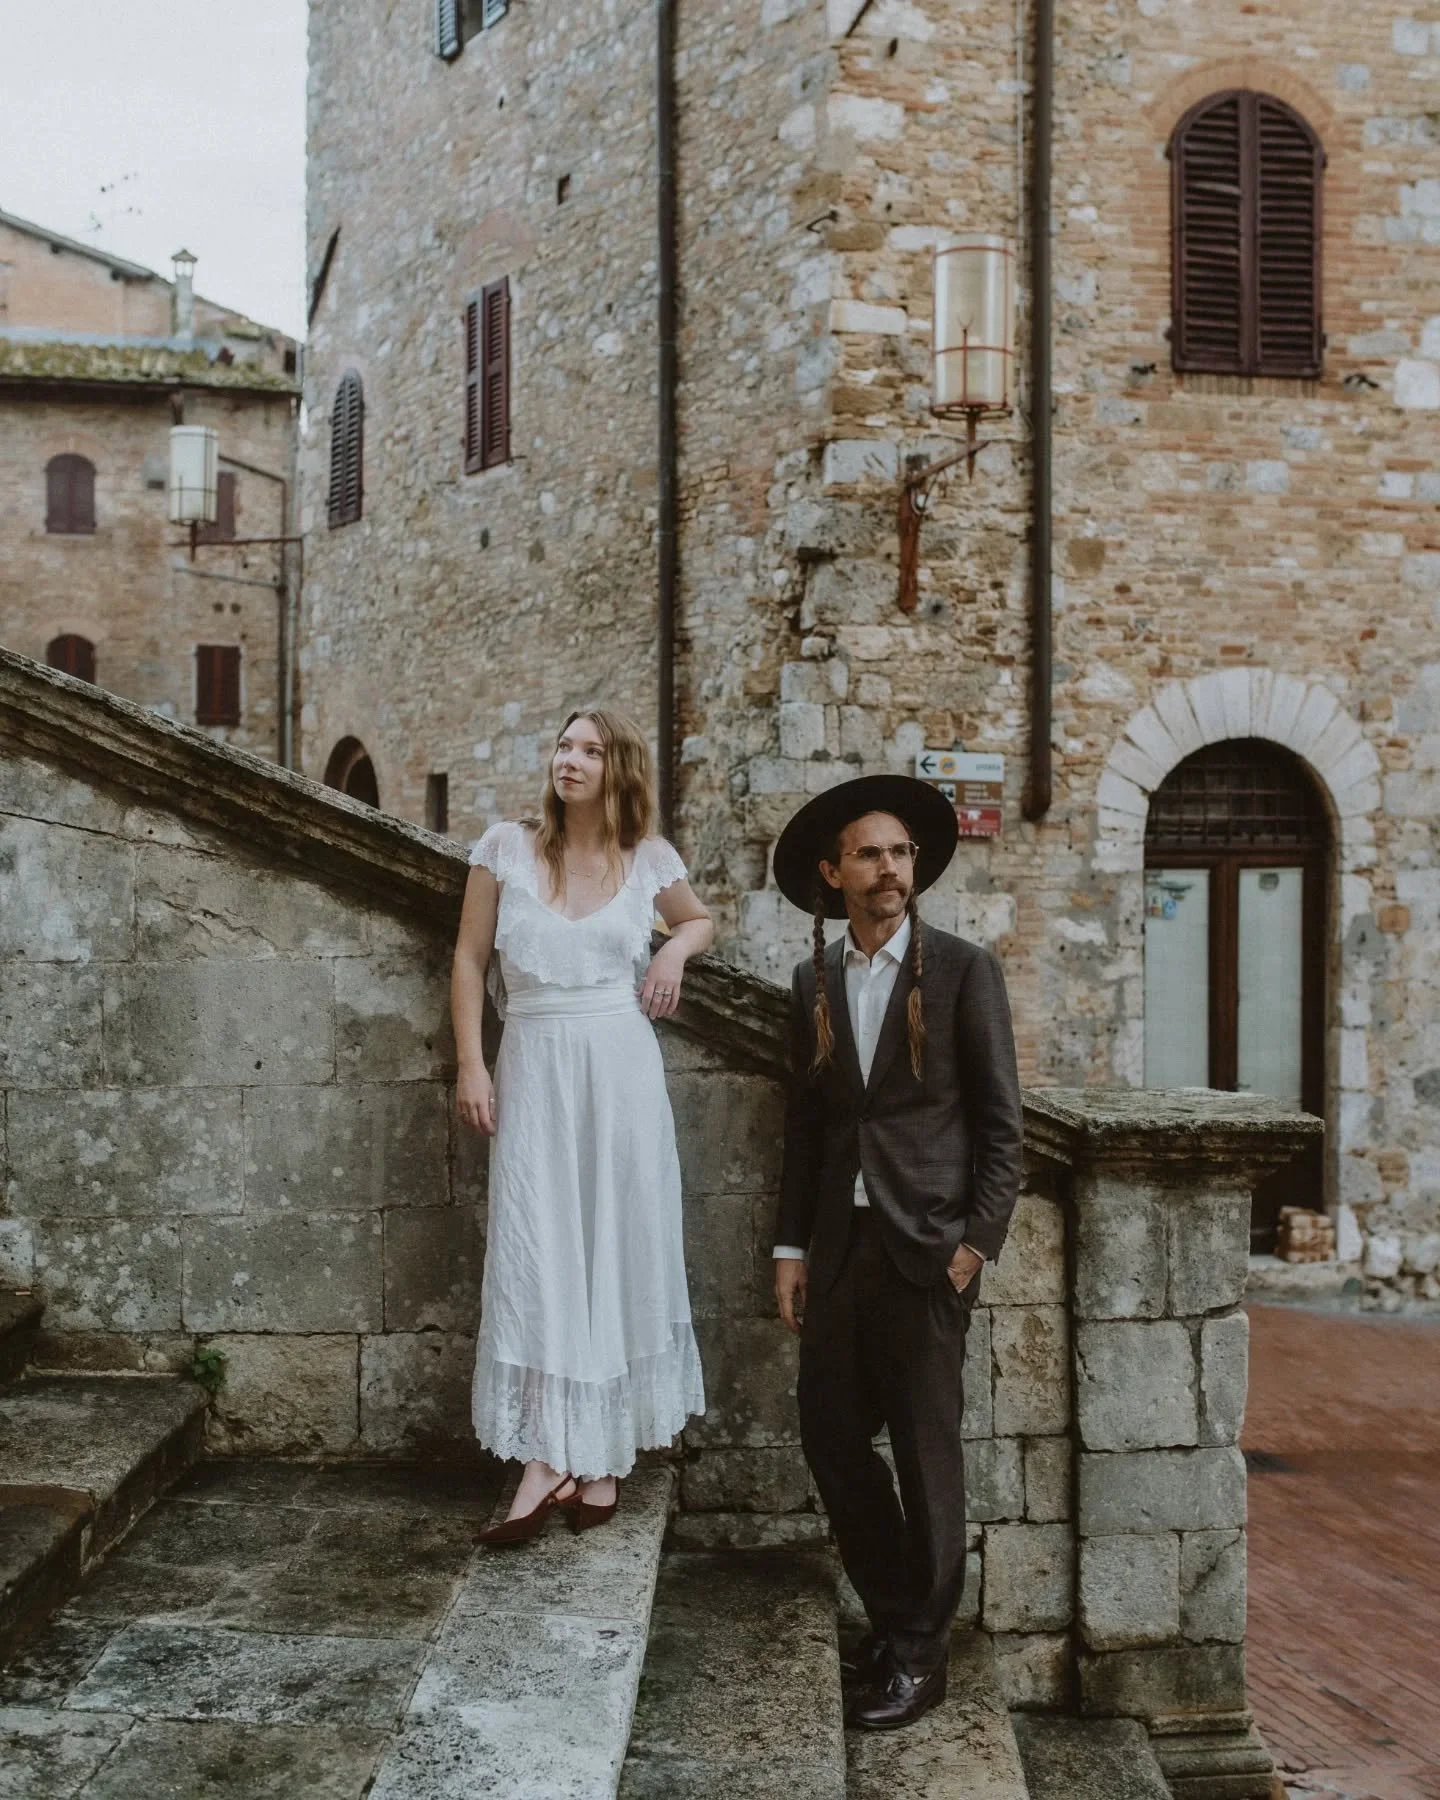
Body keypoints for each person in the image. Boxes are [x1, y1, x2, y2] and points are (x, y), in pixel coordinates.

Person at [771, 774, 1023, 1729]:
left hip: (928, 1256)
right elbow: (809, 1128)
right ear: (833, 873)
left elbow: (1004, 1131)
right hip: (840, 1251)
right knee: (831, 1439)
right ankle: (894, 1617)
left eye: (903, 854)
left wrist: (974, 1251)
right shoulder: (814, 981)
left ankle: (922, 1653)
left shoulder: (964, 970)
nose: (891, 869)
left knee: (927, 1459)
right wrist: (790, 1248)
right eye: (871, 854)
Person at [451, 707, 712, 1543]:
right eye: (563, 745)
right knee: (540, 1246)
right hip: (533, 1064)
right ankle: (546, 1453)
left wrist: (671, 950)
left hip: (621, 1073)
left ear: (618, 768)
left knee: (617, 1245)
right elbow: (467, 959)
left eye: (590, 750)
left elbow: (702, 918)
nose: (570, 759)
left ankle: (598, 1458)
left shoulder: (648, 860)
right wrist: (471, 1061)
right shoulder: (503, 848)